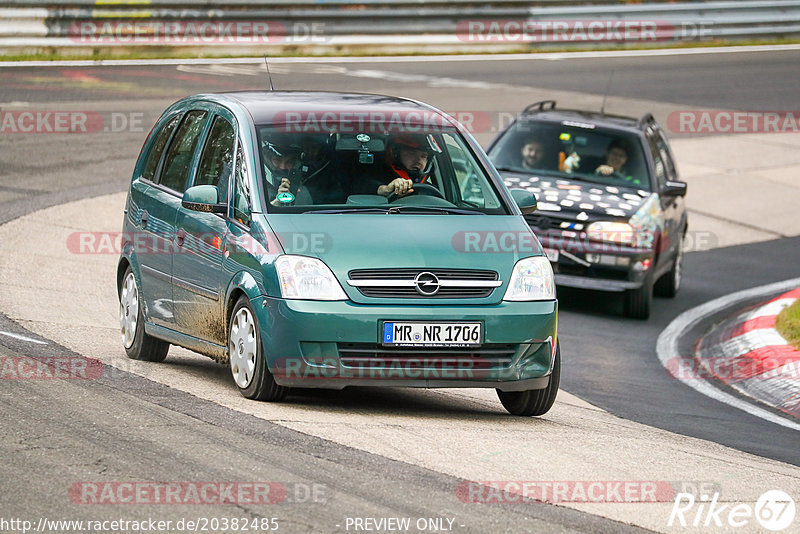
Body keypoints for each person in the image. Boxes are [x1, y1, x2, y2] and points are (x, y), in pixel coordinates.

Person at [376, 134, 440, 198]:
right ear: (395, 154)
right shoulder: (376, 176)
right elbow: (368, 185)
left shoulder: (431, 191)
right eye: (412, 153)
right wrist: (385, 190)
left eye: (424, 156)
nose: (419, 160)